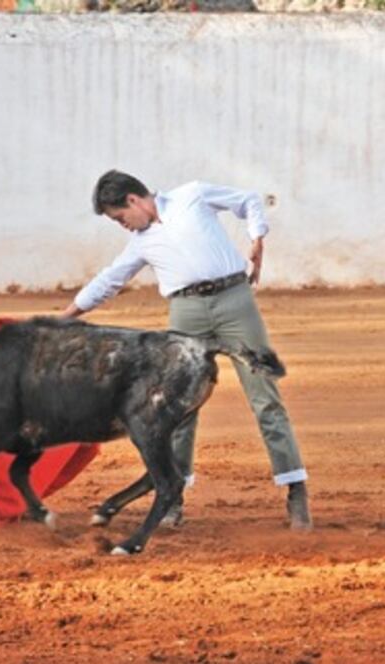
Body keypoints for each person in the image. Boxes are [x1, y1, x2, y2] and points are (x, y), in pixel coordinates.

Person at [59, 170, 312, 531]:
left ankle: (295, 491)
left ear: (133, 200)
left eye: (119, 218)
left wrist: (258, 239)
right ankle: (173, 499)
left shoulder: (191, 196)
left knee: (265, 397)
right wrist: (68, 315)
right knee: (178, 411)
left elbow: (247, 200)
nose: (123, 226)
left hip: (234, 302)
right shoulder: (141, 243)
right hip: (187, 313)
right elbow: (110, 279)